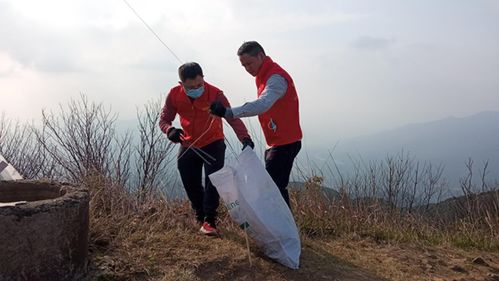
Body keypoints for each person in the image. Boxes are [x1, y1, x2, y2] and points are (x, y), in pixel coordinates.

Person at [160, 62, 254, 236]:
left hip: (213, 142)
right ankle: (200, 215)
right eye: (191, 87)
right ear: (182, 84)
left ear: (203, 78)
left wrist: (245, 138)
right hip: (189, 144)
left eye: (199, 84)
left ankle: (210, 220)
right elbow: (164, 119)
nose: (196, 88)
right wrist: (170, 131)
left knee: (214, 181)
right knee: (189, 179)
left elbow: (232, 117)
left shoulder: (215, 94)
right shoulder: (174, 94)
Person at [210, 41, 302, 208]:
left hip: (285, 142)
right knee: (275, 187)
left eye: (249, 63)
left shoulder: (276, 78)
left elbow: (262, 104)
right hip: (277, 141)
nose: (247, 69)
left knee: (273, 188)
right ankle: (283, 228)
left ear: (261, 55)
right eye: (244, 65)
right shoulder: (263, 75)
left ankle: (284, 229)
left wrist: (228, 112)